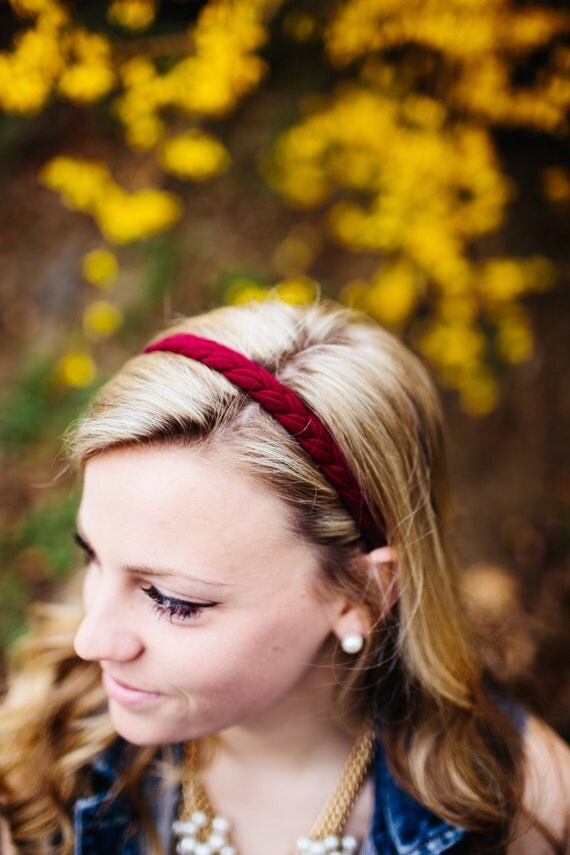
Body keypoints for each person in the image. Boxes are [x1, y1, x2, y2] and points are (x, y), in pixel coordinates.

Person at [0, 299, 568, 855]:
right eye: (93, 556)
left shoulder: (524, 809)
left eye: (172, 601)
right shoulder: (34, 765)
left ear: (362, 591)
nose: (90, 639)